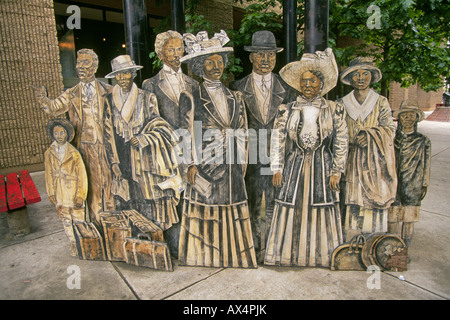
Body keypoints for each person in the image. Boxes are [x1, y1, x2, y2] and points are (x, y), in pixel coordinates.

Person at [177, 30, 257, 268]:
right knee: (207, 211)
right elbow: (184, 133)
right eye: (209, 62)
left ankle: (233, 256)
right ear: (200, 67)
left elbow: (243, 131)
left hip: (232, 168)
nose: (215, 66)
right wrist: (189, 164)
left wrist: (242, 163)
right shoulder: (190, 95)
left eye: (219, 61)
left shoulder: (235, 96)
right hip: (205, 167)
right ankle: (204, 257)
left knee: (232, 211)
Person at [264, 48, 348, 267]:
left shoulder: (333, 109)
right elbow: (278, 139)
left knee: (321, 204)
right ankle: (287, 255)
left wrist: (337, 170)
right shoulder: (287, 109)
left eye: (312, 81)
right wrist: (277, 167)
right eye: (304, 82)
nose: (308, 85)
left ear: (321, 83)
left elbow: (341, 141)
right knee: (290, 203)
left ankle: (319, 256)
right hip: (295, 165)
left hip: (322, 165)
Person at [33, 49, 121, 229]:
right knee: (92, 191)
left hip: (107, 147)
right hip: (84, 148)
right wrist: (42, 98)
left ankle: (114, 228)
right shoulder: (71, 93)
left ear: (95, 66)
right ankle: (97, 228)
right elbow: (53, 107)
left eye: (85, 63)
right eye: (78, 63)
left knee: (111, 188)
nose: (80, 67)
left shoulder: (109, 90)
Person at [230, 30, 296, 262]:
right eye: (260, 54)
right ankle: (255, 249)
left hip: (280, 159)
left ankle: (274, 249)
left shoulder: (288, 89)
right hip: (251, 160)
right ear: (251, 57)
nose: (266, 59)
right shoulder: (236, 88)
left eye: (270, 54)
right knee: (252, 204)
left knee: (278, 204)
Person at [104, 55, 183, 231]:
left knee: (148, 198)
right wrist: (114, 163)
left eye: (126, 74)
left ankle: (153, 234)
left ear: (133, 74)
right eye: (119, 75)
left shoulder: (147, 98)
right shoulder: (108, 100)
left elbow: (160, 127)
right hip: (122, 155)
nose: (123, 78)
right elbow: (108, 134)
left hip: (144, 157)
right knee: (126, 198)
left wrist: (144, 138)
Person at [142, 31, 199, 256]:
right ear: (160, 53)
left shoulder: (193, 84)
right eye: (170, 50)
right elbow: (150, 121)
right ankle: (175, 247)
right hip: (165, 153)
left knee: (192, 196)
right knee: (170, 199)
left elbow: (199, 121)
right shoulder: (150, 84)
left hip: (190, 150)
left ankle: (192, 244)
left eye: (179, 49)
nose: (176, 54)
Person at [338, 57, 397, 240]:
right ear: (350, 78)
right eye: (357, 74)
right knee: (353, 198)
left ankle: (375, 240)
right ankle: (352, 239)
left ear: (371, 77)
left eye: (365, 73)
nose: (361, 78)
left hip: (375, 160)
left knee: (374, 200)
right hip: (351, 158)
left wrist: (370, 136)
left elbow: (390, 128)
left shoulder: (380, 102)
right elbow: (336, 130)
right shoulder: (342, 103)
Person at [389, 99, 431, 248]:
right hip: (394, 183)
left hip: (413, 183)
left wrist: (424, 184)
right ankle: (391, 246)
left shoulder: (423, 141)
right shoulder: (393, 140)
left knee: (409, 218)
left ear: (416, 118)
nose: (407, 119)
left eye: (411, 115)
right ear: (399, 118)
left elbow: (426, 165)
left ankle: (405, 247)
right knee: (392, 217)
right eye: (404, 115)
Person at [44, 118, 88, 256]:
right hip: (60, 191)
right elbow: (48, 174)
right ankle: (73, 243)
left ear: (66, 134)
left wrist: (81, 194)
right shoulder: (49, 153)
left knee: (78, 218)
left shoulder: (74, 153)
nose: (59, 136)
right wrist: (51, 192)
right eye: (56, 133)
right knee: (66, 219)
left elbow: (82, 174)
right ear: (52, 135)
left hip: (73, 189)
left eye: (62, 133)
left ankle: (83, 244)